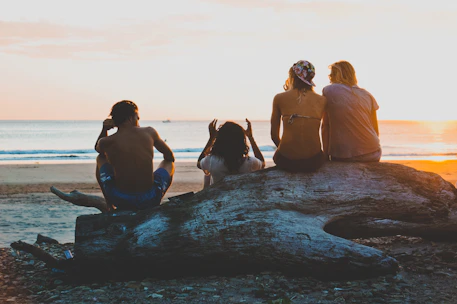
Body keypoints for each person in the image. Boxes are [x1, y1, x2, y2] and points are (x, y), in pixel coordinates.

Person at [52, 100, 175, 212]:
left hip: (120, 199)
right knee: (169, 163)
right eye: (137, 115)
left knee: (100, 158)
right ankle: (157, 200)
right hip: (150, 198)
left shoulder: (107, 141)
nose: (139, 118)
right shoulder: (149, 132)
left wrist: (104, 129)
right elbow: (169, 156)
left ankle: (109, 204)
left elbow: (98, 149)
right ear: (132, 117)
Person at [270, 60, 327, 172]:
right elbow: (326, 130)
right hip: (313, 161)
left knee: (278, 156)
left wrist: (288, 151)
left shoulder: (279, 98)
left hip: (286, 161)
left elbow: (273, 135)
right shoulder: (322, 100)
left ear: (292, 76)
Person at [322, 61, 381, 162]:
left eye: (332, 74)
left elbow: (325, 126)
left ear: (336, 75)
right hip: (373, 152)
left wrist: (326, 156)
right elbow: (375, 130)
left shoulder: (329, 91)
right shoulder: (367, 95)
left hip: (344, 155)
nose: (330, 77)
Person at [197, 119, 265, 187]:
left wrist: (211, 138)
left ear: (219, 141)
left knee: (207, 176)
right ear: (241, 142)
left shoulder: (212, 161)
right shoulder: (250, 163)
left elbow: (199, 163)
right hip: (238, 196)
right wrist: (250, 137)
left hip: (218, 196)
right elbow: (262, 163)